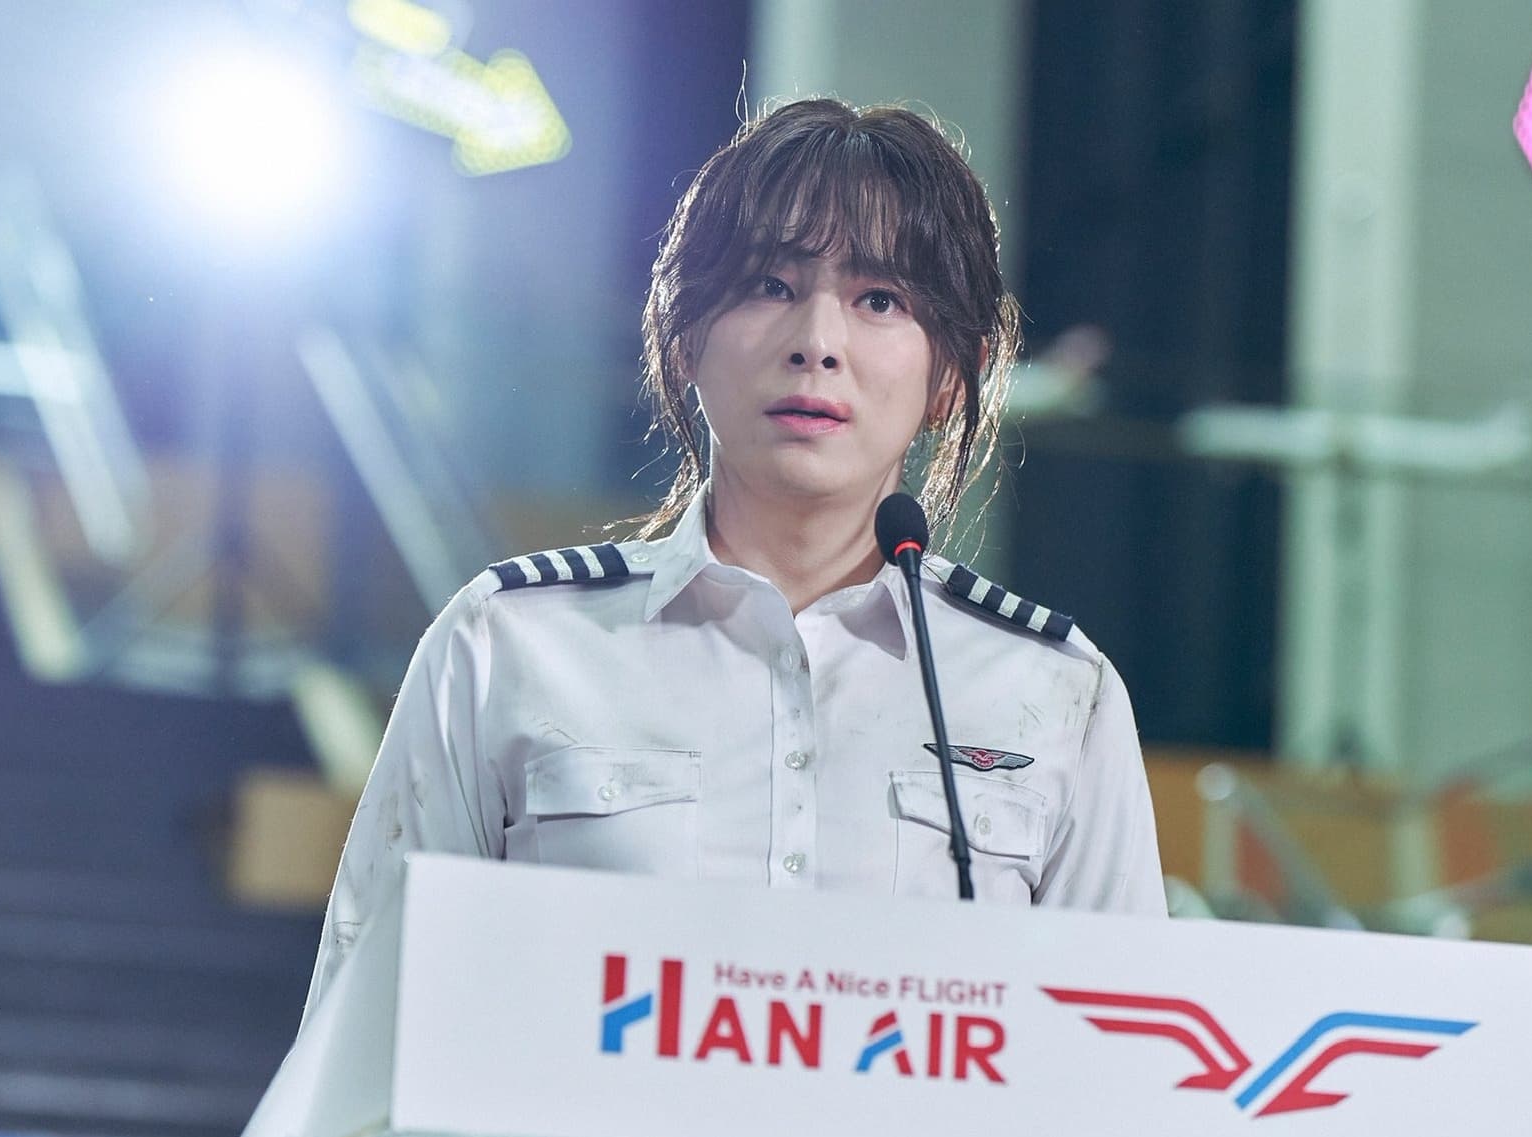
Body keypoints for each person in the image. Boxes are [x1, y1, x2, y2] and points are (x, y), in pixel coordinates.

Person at [302, 97, 1165, 1018]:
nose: (817, 344)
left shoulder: (1057, 695)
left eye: (880, 300)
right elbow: (364, 1027)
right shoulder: (506, 646)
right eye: (769, 285)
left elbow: (1117, 1065)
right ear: (683, 338)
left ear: (953, 373)